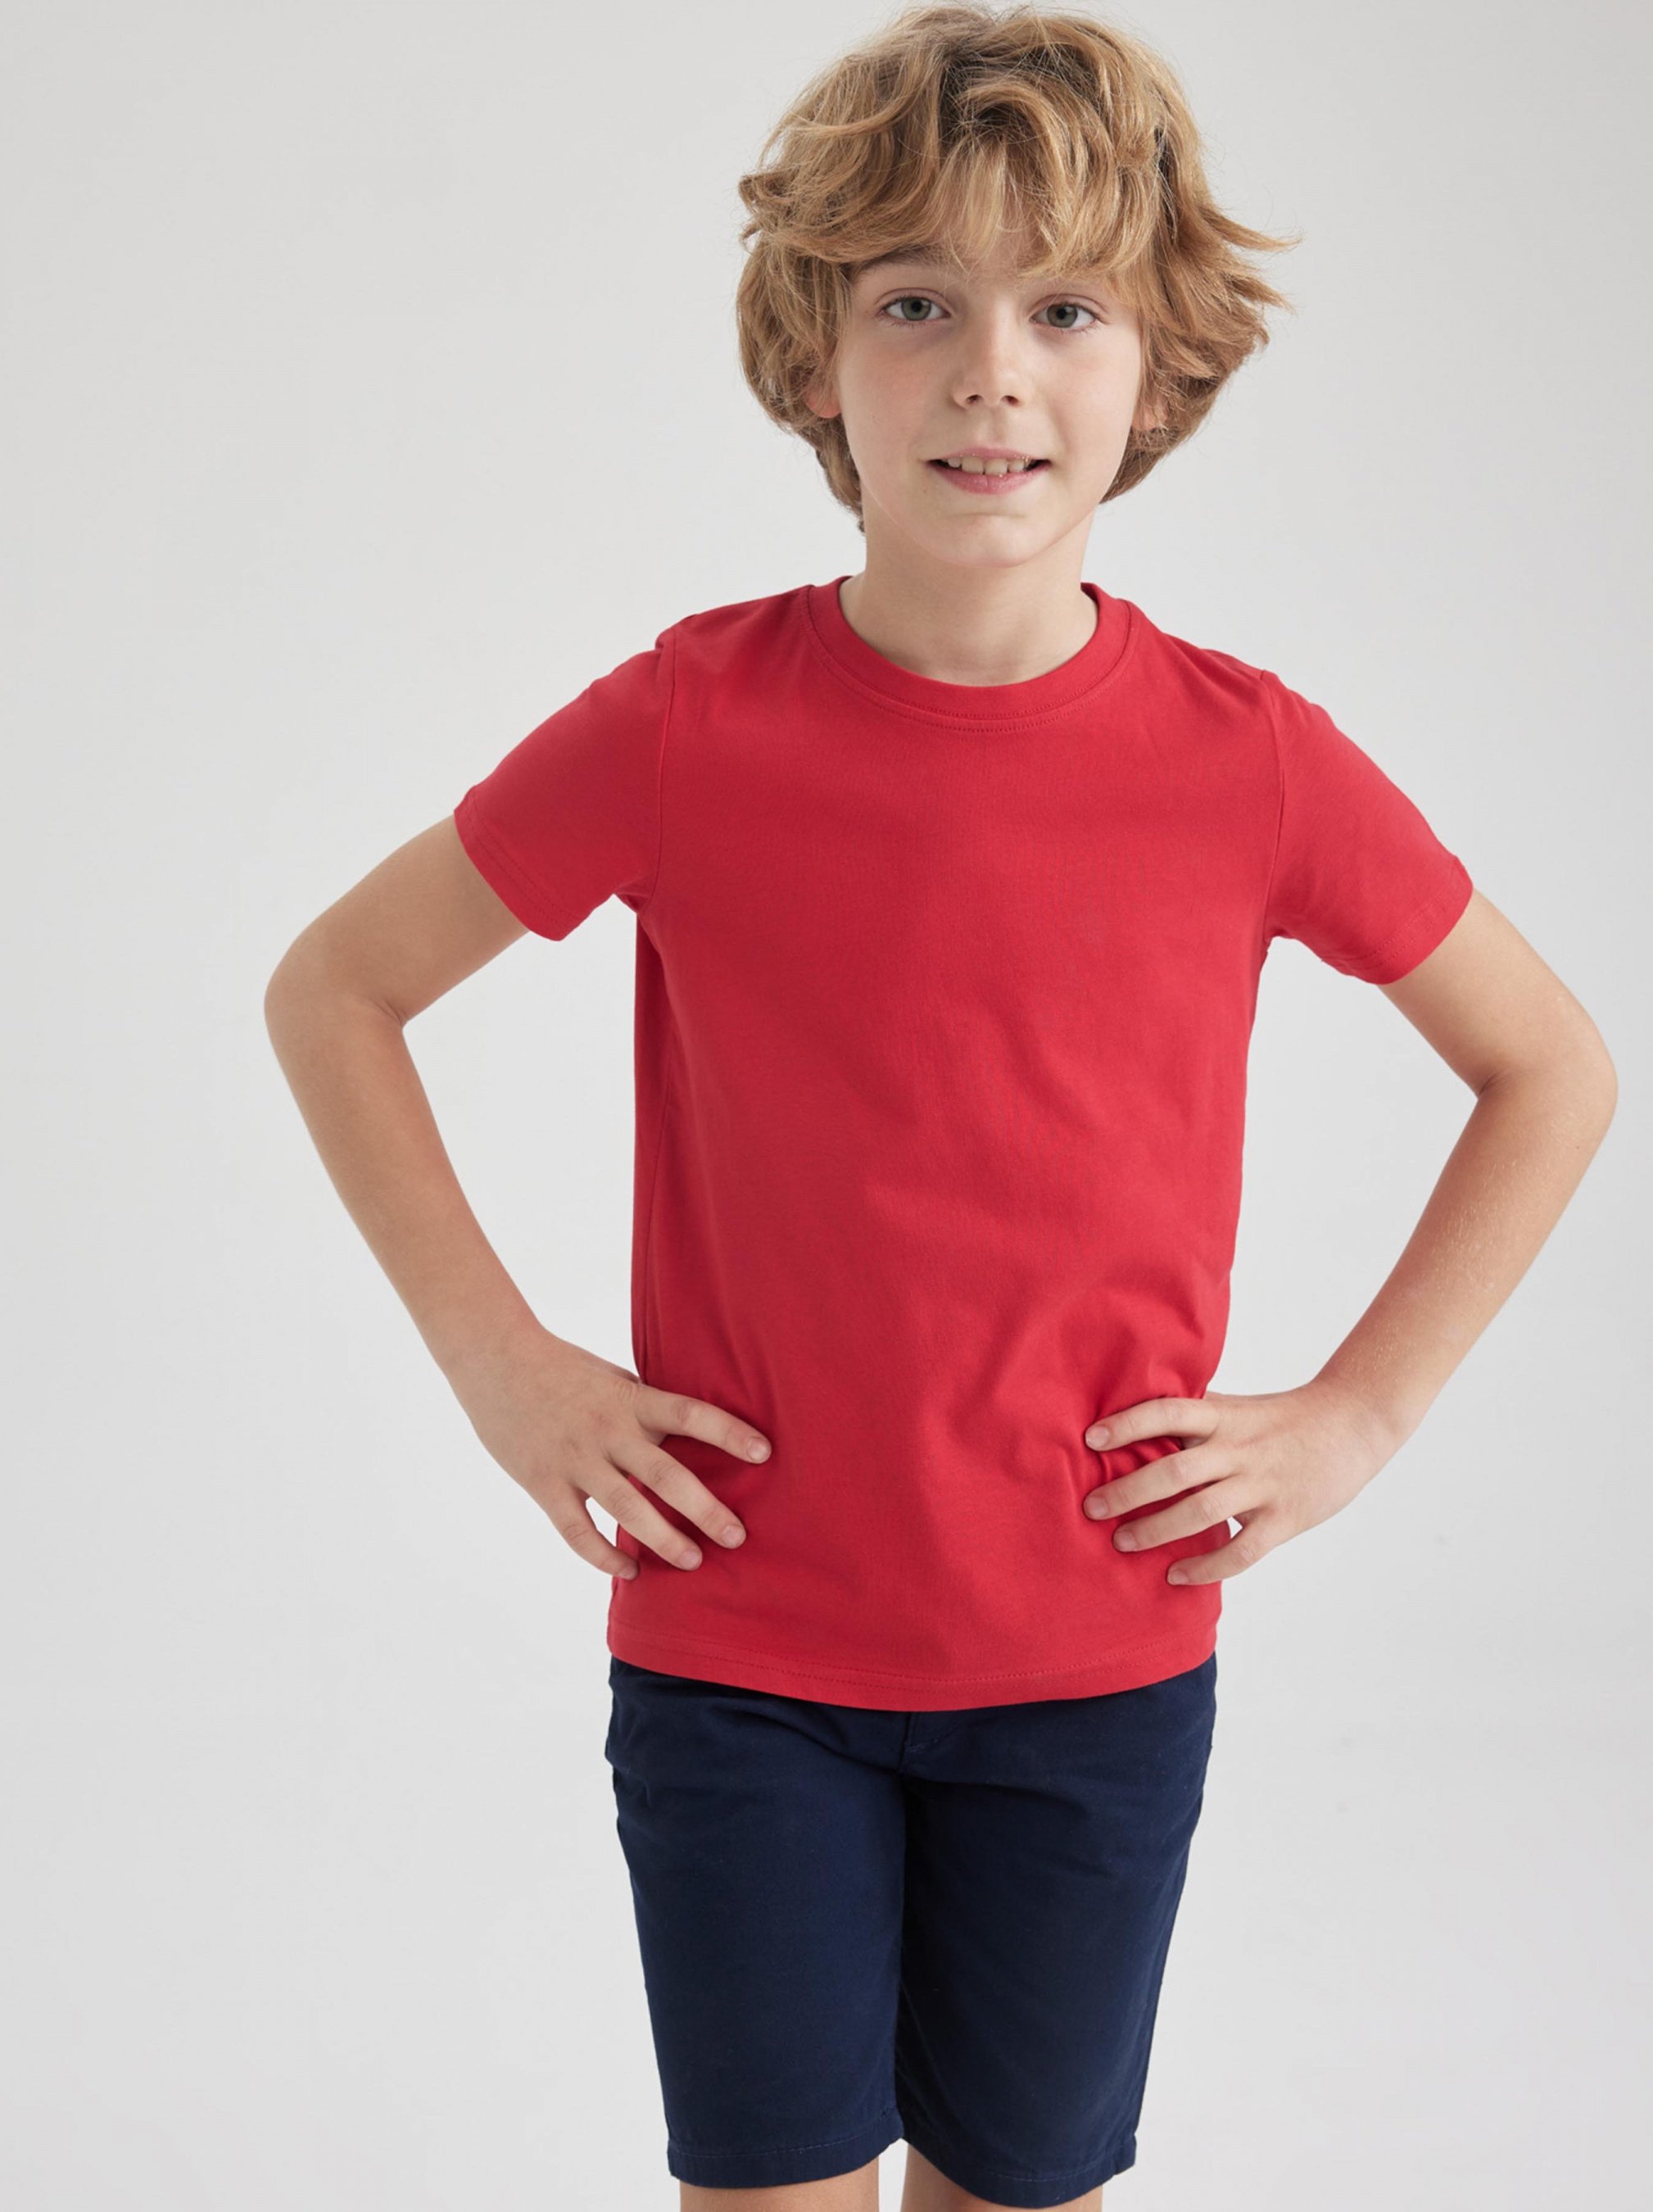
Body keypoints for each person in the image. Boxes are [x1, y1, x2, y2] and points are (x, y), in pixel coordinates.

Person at [263, 7, 1617, 2208]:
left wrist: (1357, 1416)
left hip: (1096, 1665)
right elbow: (337, 986)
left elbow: (1547, 1063)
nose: (992, 372)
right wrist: (508, 1373)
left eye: (1064, 309)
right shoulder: (685, 723)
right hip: (741, 1651)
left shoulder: (1253, 762)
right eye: (917, 304)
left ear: (1157, 371)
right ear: (816, 357)